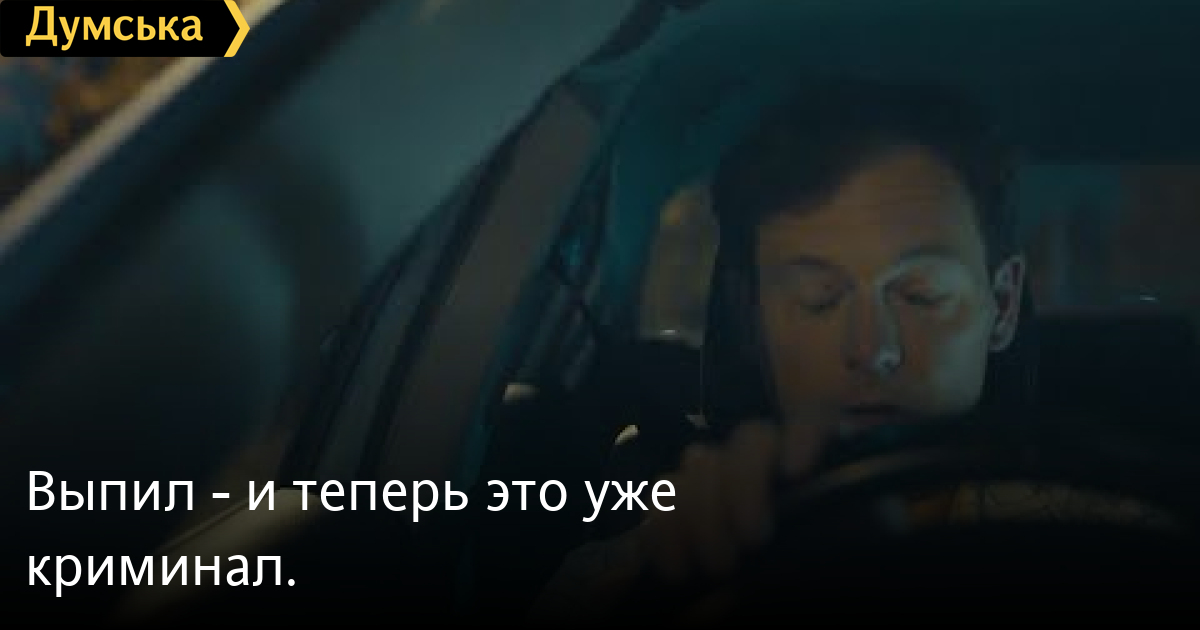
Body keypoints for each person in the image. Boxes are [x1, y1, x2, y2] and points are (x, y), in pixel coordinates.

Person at [527, 78, 1033, 620]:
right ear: (751, 318)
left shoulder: (1092, 534)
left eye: (919, 296)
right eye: (819, 300)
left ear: (1002, 306)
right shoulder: (642, 568)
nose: (871, 348)